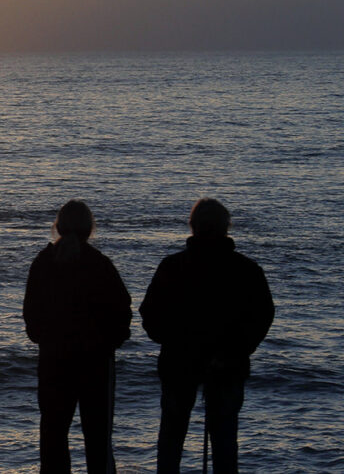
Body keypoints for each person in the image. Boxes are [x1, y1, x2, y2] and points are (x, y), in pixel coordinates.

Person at [140, 198, 274, 473]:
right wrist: (236, 350)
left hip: (180, 363)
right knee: (224, 441)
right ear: (226, 228)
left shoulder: (173, 266)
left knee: (171, 438)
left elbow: (150, 314)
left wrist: (174, 342)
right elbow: (261, 316)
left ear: (193, 227)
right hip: (227, 364)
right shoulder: (245, 270)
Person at [24, 200, 132, 473]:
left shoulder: (43, 264)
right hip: (95, 363)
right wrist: (111, 341)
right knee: (97, 438)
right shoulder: (100, 265)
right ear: (89, 229)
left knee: (53, 436)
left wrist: (45, 339)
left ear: (58, 227)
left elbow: (31, 315)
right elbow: (122, 311)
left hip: (54, 362)